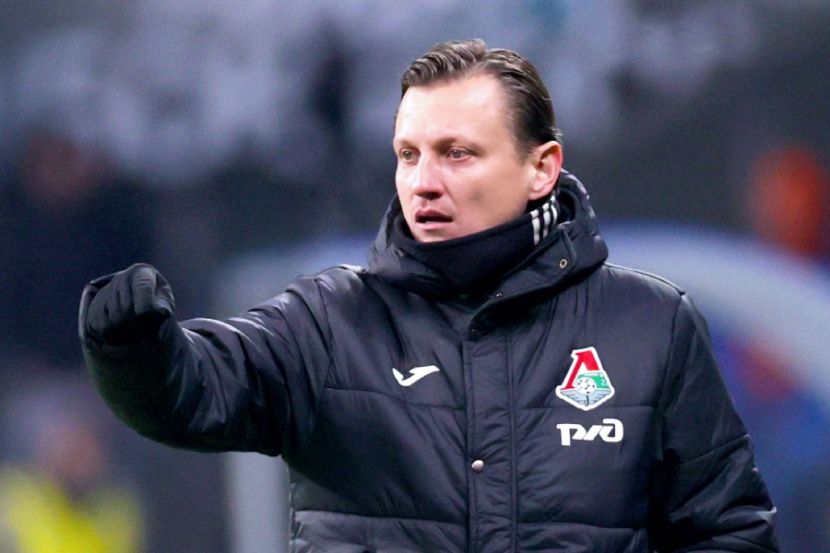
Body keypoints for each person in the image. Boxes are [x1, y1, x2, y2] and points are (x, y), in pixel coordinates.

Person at [78, 39, 778, 552]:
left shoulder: (651, 325)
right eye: (408, 154)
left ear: (542, 168)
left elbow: (728, 530)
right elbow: (195, 392)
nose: (423, 181)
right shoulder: (331, 321)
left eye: (457, 153)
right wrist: (135, 352)